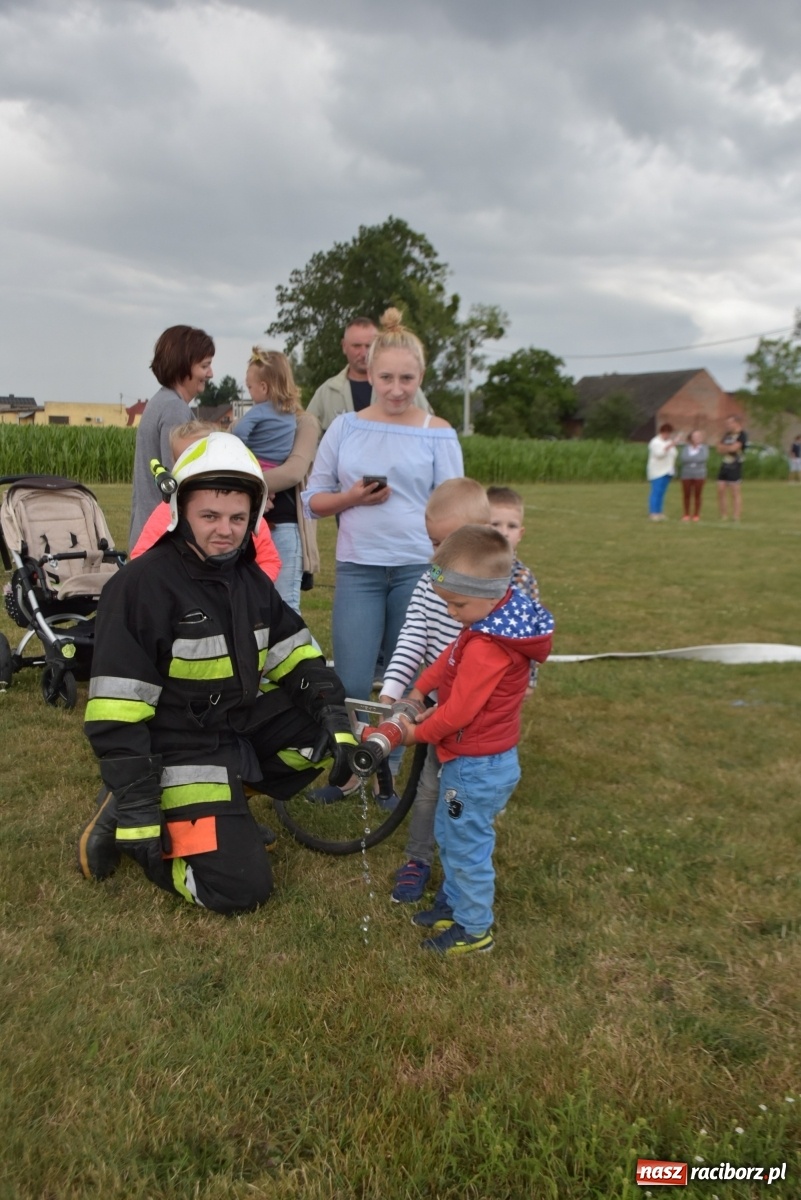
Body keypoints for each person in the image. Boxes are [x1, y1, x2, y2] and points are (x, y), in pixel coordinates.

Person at [77, 432, 357, 915]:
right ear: (180, 512)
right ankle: (138, 810)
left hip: (235, 725)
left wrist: (331, 711)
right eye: (209, 516)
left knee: (318, 732)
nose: (224, 530)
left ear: (253, 518)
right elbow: (117, 709)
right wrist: (139, 803)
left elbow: (293, 652)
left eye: (237, 518)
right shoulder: (140, 587)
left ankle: (222, 810)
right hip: (175, 744)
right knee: (239, 890)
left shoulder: (247, 577)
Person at [302, 308, 463, 786]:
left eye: (407, 378)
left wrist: (445, 575)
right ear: (367, 373)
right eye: (386, 377)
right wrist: (352, 497)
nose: (396, 388)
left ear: (422, 376)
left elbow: (457, 511)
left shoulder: (439, 432)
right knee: (352, 681)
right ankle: (351, 770)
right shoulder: (345, 427)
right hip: (358, 569)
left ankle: (389, 771)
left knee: (409, 682)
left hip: (423, 572)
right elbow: (312, 500)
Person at [397, 526, 554, 955]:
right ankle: (455, 901)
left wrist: (416, 734)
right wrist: (418, 689)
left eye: (457, 604)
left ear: (487, 594)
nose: (451, 613)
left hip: (474, 769)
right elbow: (450, 658)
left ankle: (474, 929)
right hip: (472, 764)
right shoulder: (488, 620)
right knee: (453, 833)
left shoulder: (489, 645)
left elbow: (459, 712)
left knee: (466, 843)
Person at [380, 478, 493, 903]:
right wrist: (393, 691)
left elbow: (522, 649)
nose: (436, 556)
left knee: (464, 798)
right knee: (428, 790)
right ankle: (418, 859)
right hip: (437, 713)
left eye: (447, 543)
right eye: (432, 543)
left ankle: (461, 874)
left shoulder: (500, 588)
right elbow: (413, 635)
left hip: (479, 724)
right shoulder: (433, 581)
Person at [130, 420, 282, 582]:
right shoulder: (166, 513)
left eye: (236, 518)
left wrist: (249, 591)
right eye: (186, 460)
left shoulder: (248, 517)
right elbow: (141, 558)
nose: (225, 529)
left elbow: (269, 561)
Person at [234, 349, 317, 612]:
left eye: (250, 387)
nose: (249, 393)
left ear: (265, 386)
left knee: (283, 607)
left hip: (282, 524)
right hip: (250, 526)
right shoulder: (284, 418)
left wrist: (249, 485)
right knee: (251, 606)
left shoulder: (304, 422)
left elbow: (293, 471)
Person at [129, 325, 215, 547]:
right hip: (162, 538)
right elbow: (180, 481)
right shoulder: (174, 409)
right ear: (183, 365)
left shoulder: (160, 402)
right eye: (205, 365)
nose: (210, 373)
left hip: (148, 532)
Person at [307, 316, 431, 435]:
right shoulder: (327, 392)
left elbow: (429, 430)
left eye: (369, 346)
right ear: (344, 346)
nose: (364, 353)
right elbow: (307, 438)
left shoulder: (405, 390)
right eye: (356, 346)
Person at [646, 422, 682, 521]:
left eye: (669, 433)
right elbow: (659, 454)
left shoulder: (669, 441)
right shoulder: (655, 442)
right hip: (657, 471)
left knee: (662, 492)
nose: (667, 435)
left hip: (667, 471)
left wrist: (672, 445)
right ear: (661, 432)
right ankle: (653, 512)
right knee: (656, 492)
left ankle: (659, 512)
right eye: (665, 433)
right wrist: (671, 445)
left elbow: (674, 454)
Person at [716, 415, 748, 521]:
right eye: (727, 423)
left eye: (730, 423)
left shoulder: (742, 435)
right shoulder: (727, 435)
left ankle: (736, 515)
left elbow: (735, 448)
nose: (728, 425)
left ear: (736, 423)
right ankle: (724, 515)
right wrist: (727, 448)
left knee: (735, 491)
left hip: (735, 465)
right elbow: (719, 448)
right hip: (724, 464)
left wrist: (727, 448)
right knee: (721, 490)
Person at [679, 429, 709, 521]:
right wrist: (694, 460)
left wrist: (691, 459)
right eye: (695, 436)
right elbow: (684, 458)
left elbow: (703, 458)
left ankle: (696, 514)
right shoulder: (686, 448)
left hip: (699, 474)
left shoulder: (704, 448)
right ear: (691, 438)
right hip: (686, 474)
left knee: (698, 494)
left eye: (699, 436)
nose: (697, 438)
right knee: (686, 494)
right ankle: (686, 514)